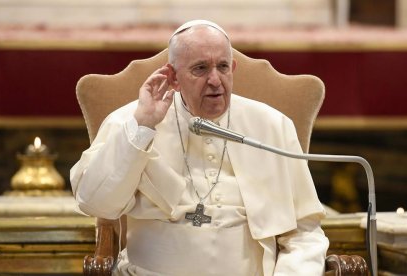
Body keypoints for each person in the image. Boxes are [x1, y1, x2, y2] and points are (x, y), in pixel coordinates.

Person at [71, 20, 329, 275]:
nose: (215, 80)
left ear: (233, 68)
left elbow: (304, 233)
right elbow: (96, 204)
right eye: (200, 69)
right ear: (173, 76)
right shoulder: (132, 120)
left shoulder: (273, 126)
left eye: (223, 67)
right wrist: (143, 128)